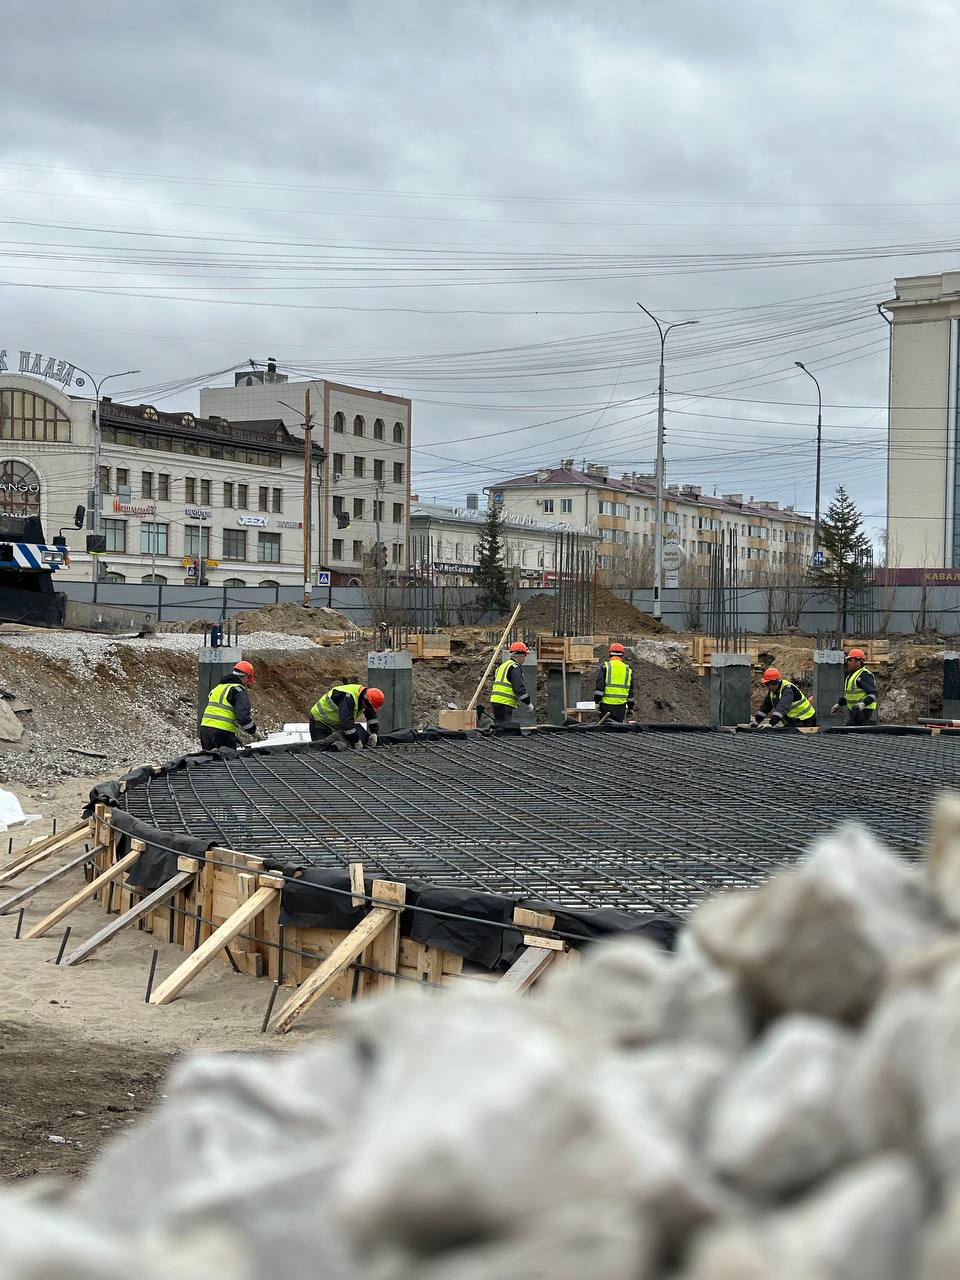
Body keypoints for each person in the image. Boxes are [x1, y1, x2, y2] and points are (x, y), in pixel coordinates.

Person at [199, 661, 257, 751]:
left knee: (209, 761)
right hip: (222, 732)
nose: (247, 683)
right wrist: (253, 731)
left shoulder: (218, 688)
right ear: (246, 676)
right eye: (248, 680)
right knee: (227, 763)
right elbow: (243, 717)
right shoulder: (238, 689)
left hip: (205, 730)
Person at [309, 683, 385, 749]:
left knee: (336, 748)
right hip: (320, 721)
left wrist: (374, 733)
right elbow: (347, 724)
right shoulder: (348, 698)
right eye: (369, 706)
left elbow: (371, 715)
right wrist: (356, 741)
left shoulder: (364, 696)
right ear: (366, 700)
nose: (369, 709)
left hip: (335, 724)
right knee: (322, 749)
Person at [753, 667, 818, 730]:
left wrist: (771, 723)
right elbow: (765, 707)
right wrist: (756, 721)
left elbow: (783, 707)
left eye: (767, 684)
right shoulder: (772, 692)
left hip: (806, 721)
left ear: (773, 683)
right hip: (795, 721)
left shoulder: (787, 689)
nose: (766, 686)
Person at [490, 640, 533, 726]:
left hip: (495, 702)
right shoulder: (514, 667)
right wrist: (528, 703)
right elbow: (519, 688)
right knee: (505, 729)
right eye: (524, 656)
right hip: (504, 703)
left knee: (499, 727)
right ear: (520, 655)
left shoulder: (502, 666)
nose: (524, 659)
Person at [832, 647, 878, 726]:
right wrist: (839, 704)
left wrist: (863, 704)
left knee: (853, 732)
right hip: (855, 712)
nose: (848, 663)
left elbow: (873, 693)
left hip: (864, 712)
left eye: (850, 660)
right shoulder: (851, 676)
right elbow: (850, 695)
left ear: (858, 662)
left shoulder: (864, 675)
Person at [594, 641, 636, 723]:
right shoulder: (628, 670)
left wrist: (597, 702)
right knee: (618, 730)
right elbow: (630, 692)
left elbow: (600, 688)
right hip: (621, 707)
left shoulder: (605, 667)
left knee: (606, 730)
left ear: (610, 654)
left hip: (606, 706)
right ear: (622, 655)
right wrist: (630, 707)